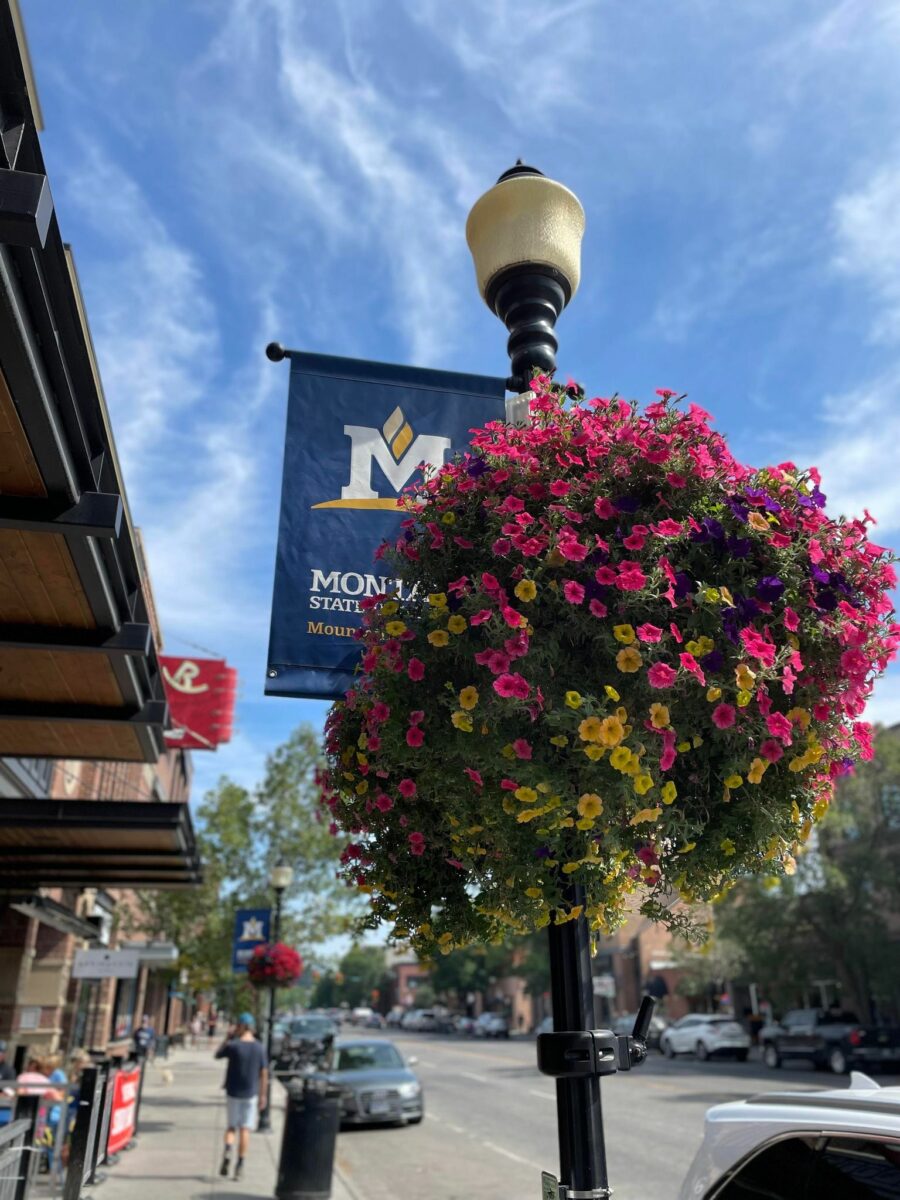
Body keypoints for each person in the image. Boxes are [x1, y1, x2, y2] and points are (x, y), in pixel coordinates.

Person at [214, 1013, 268, 1182]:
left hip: (233, 1092)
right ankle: (239, 1165)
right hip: (250, 1093)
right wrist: (263, 1094)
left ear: (241, 1026)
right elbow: (264, 1073)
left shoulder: (234, 1046)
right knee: (245, 1129)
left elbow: (218, 1054)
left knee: (231, 1127)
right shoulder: (259, 1048)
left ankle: (228, 1148)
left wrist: (228, 1037)